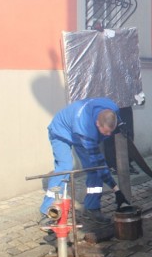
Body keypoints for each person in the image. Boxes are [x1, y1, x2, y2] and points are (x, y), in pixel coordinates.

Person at [39, 97, 130, 226]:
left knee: (93, 171)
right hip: (61, 131)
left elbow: (114, 120)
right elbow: (99, 164)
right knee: (65, 168)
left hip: (78, 130)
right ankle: (48, 210)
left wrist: (119, 125)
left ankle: (92, 208)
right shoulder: (87, 130)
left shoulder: (112, 107)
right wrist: (116, 190)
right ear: (97, 124)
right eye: (106, 132)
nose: (108, 135)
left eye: (110, 132)